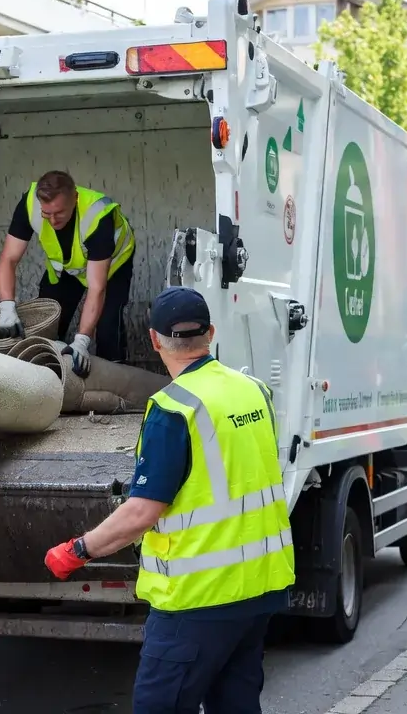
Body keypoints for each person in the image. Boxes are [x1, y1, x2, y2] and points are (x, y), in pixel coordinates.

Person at [43, 286, 295, 714]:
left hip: (196, 598)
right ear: (210, 333)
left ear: (154, 340)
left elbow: (142, 511)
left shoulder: (174, 408)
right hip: (258, 589)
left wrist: (79, 549)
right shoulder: (255, 391)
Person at [0, 169, 136, 377]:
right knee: (47, 322)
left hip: (112, 266)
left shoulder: (98, 215)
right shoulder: (30, 204)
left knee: (107, 327)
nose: (53, 220)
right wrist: (6, 307)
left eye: (59, 213)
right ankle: (48, 375)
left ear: (75, 199)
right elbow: (8, 259)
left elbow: (96, 287)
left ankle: (115, 379)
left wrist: (82, 341)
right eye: (46, 214)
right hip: (68, 267)